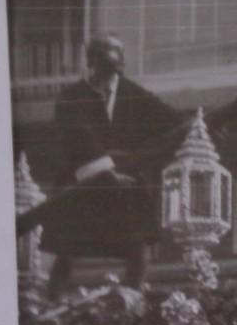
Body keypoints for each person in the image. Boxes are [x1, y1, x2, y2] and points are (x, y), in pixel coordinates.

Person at [41, 36, 182, 298]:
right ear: (91, 63)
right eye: (103, 70)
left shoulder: (133, 94)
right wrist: (105, 170)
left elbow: (170, 118)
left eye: (114, 71)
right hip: (82, 182)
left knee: (138, 251)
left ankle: (129, 301)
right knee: (66, 252)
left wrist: (201, 123)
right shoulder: (70, 97)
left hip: (124, 186)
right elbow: (79, 137)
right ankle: (51, 303)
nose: (108, 79)